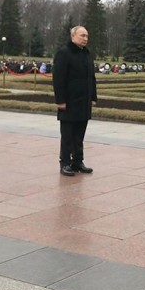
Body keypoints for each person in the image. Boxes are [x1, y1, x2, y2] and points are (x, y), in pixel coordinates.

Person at [52, 25, 97, 177]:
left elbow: (92, 78)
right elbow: (58, 78)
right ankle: (64, 163)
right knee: (68, 135)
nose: (85, 38)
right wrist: (60, 100)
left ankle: (77, 161)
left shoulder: (87, 54)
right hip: (69, 102)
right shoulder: (64, 53)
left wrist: (93, 97)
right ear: (73, 36)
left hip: (84, 102)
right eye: (82, 35)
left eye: (87, 36)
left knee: (79, 135)